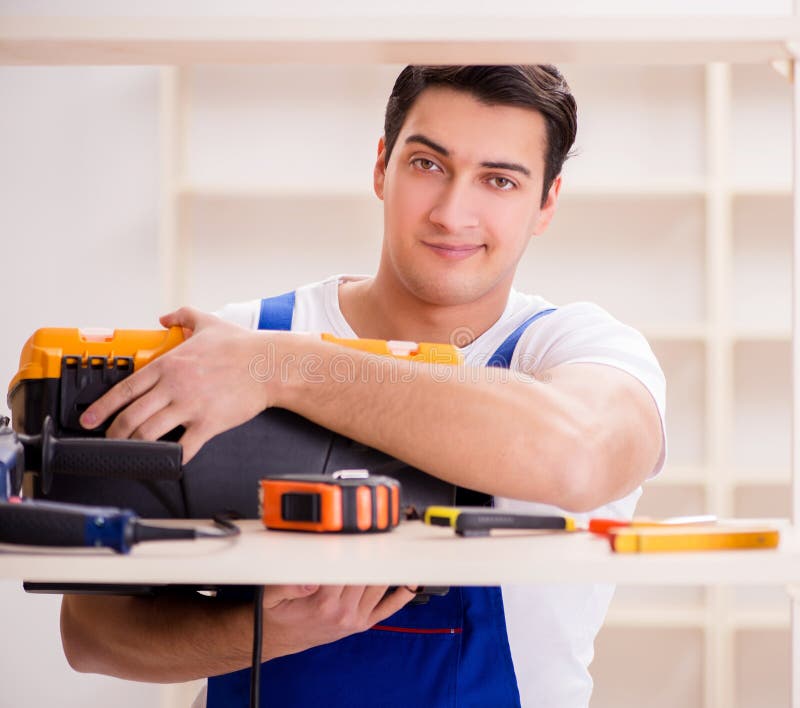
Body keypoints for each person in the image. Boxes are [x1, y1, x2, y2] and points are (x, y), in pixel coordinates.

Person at [60, 65, 666, 707]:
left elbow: (577, 457)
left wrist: (281, 370)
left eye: (499, 180)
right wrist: (265, 633)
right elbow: (90, 633)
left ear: (546, 202)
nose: (452, 211)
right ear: (382, 166)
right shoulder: (232, 343)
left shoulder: (577, 350)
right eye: (428, 164)